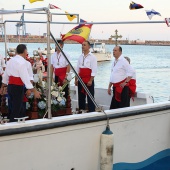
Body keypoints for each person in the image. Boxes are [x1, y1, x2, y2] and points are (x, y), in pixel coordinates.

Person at [0, 44, 41, 122]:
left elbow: (5, 76)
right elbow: (25, 78)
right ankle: (13, 126)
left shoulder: (10, 61)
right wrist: (34, 90)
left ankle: (12, 122)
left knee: (12, 107)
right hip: (18, 87)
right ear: (25, 51)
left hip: (11, 86)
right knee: (17, 109)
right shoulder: (22, 63)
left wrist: (3, 86)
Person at [75, 40, 97, 112]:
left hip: (88, 79)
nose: (83, 46)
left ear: (89, 47)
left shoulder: (92, 57)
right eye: (82, 45)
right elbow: (78, 69)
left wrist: (91, 80)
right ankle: (82, 110)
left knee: (90, 96)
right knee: (81, 96)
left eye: (84, 45)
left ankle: (91, 111)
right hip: (81, 79)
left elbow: (94, 70)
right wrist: (76, 79)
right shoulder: (80, 56)